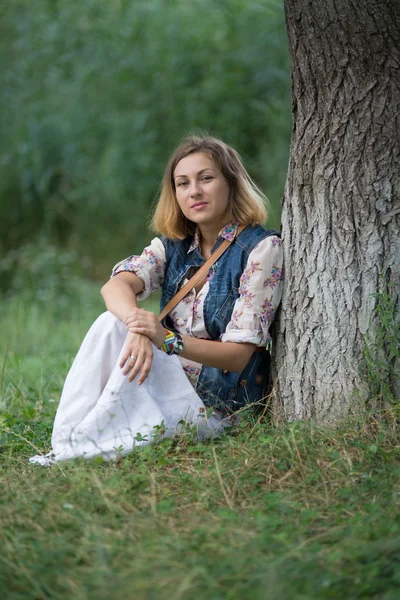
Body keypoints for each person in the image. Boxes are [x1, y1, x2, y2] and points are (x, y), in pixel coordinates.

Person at [29, 135, 283, 466]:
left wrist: (162, 338)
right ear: (174, 194)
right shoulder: (174, 245)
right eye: (183, 183)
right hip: (168, 377)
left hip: (219, 404)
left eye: (206, 178)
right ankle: (69, 440)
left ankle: (79, 447)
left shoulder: (261, 249)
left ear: (231, 183)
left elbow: (237, 357)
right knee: (112, 322)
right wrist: (138, 325)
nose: (194, 191)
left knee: (122, 332)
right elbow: (115, 287)